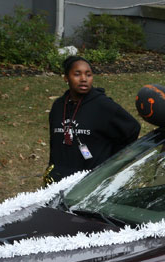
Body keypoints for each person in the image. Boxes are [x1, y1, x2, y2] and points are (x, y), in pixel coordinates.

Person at [45, 56, 141, 184]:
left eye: (88, 75)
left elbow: (132, 129)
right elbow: (54, 143)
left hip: (90, 181)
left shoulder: (103, 105)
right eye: (77, 74)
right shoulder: (58, 106)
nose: (84, 79)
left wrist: (112, 159)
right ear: (66, 78)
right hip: (59, 179)